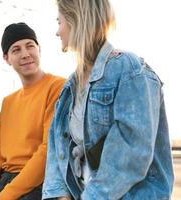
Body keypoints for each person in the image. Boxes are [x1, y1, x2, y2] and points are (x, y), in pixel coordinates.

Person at [42, 0, 174, 199]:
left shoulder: (129, 70)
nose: (57, 32)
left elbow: (131, 154)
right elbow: (57, 149)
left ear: (76, 20)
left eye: (59, 22)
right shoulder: (69, 88)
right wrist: (61, 196)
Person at [0, 22, 65, 200]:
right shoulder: (8, 102)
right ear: (6, 58)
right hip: (5, 180)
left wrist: (5, 196)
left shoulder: (57, 87)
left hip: (38, 183)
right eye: (16, 50)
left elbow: (48, 150)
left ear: (39, 50)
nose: (25, 54)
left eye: (30, 46)